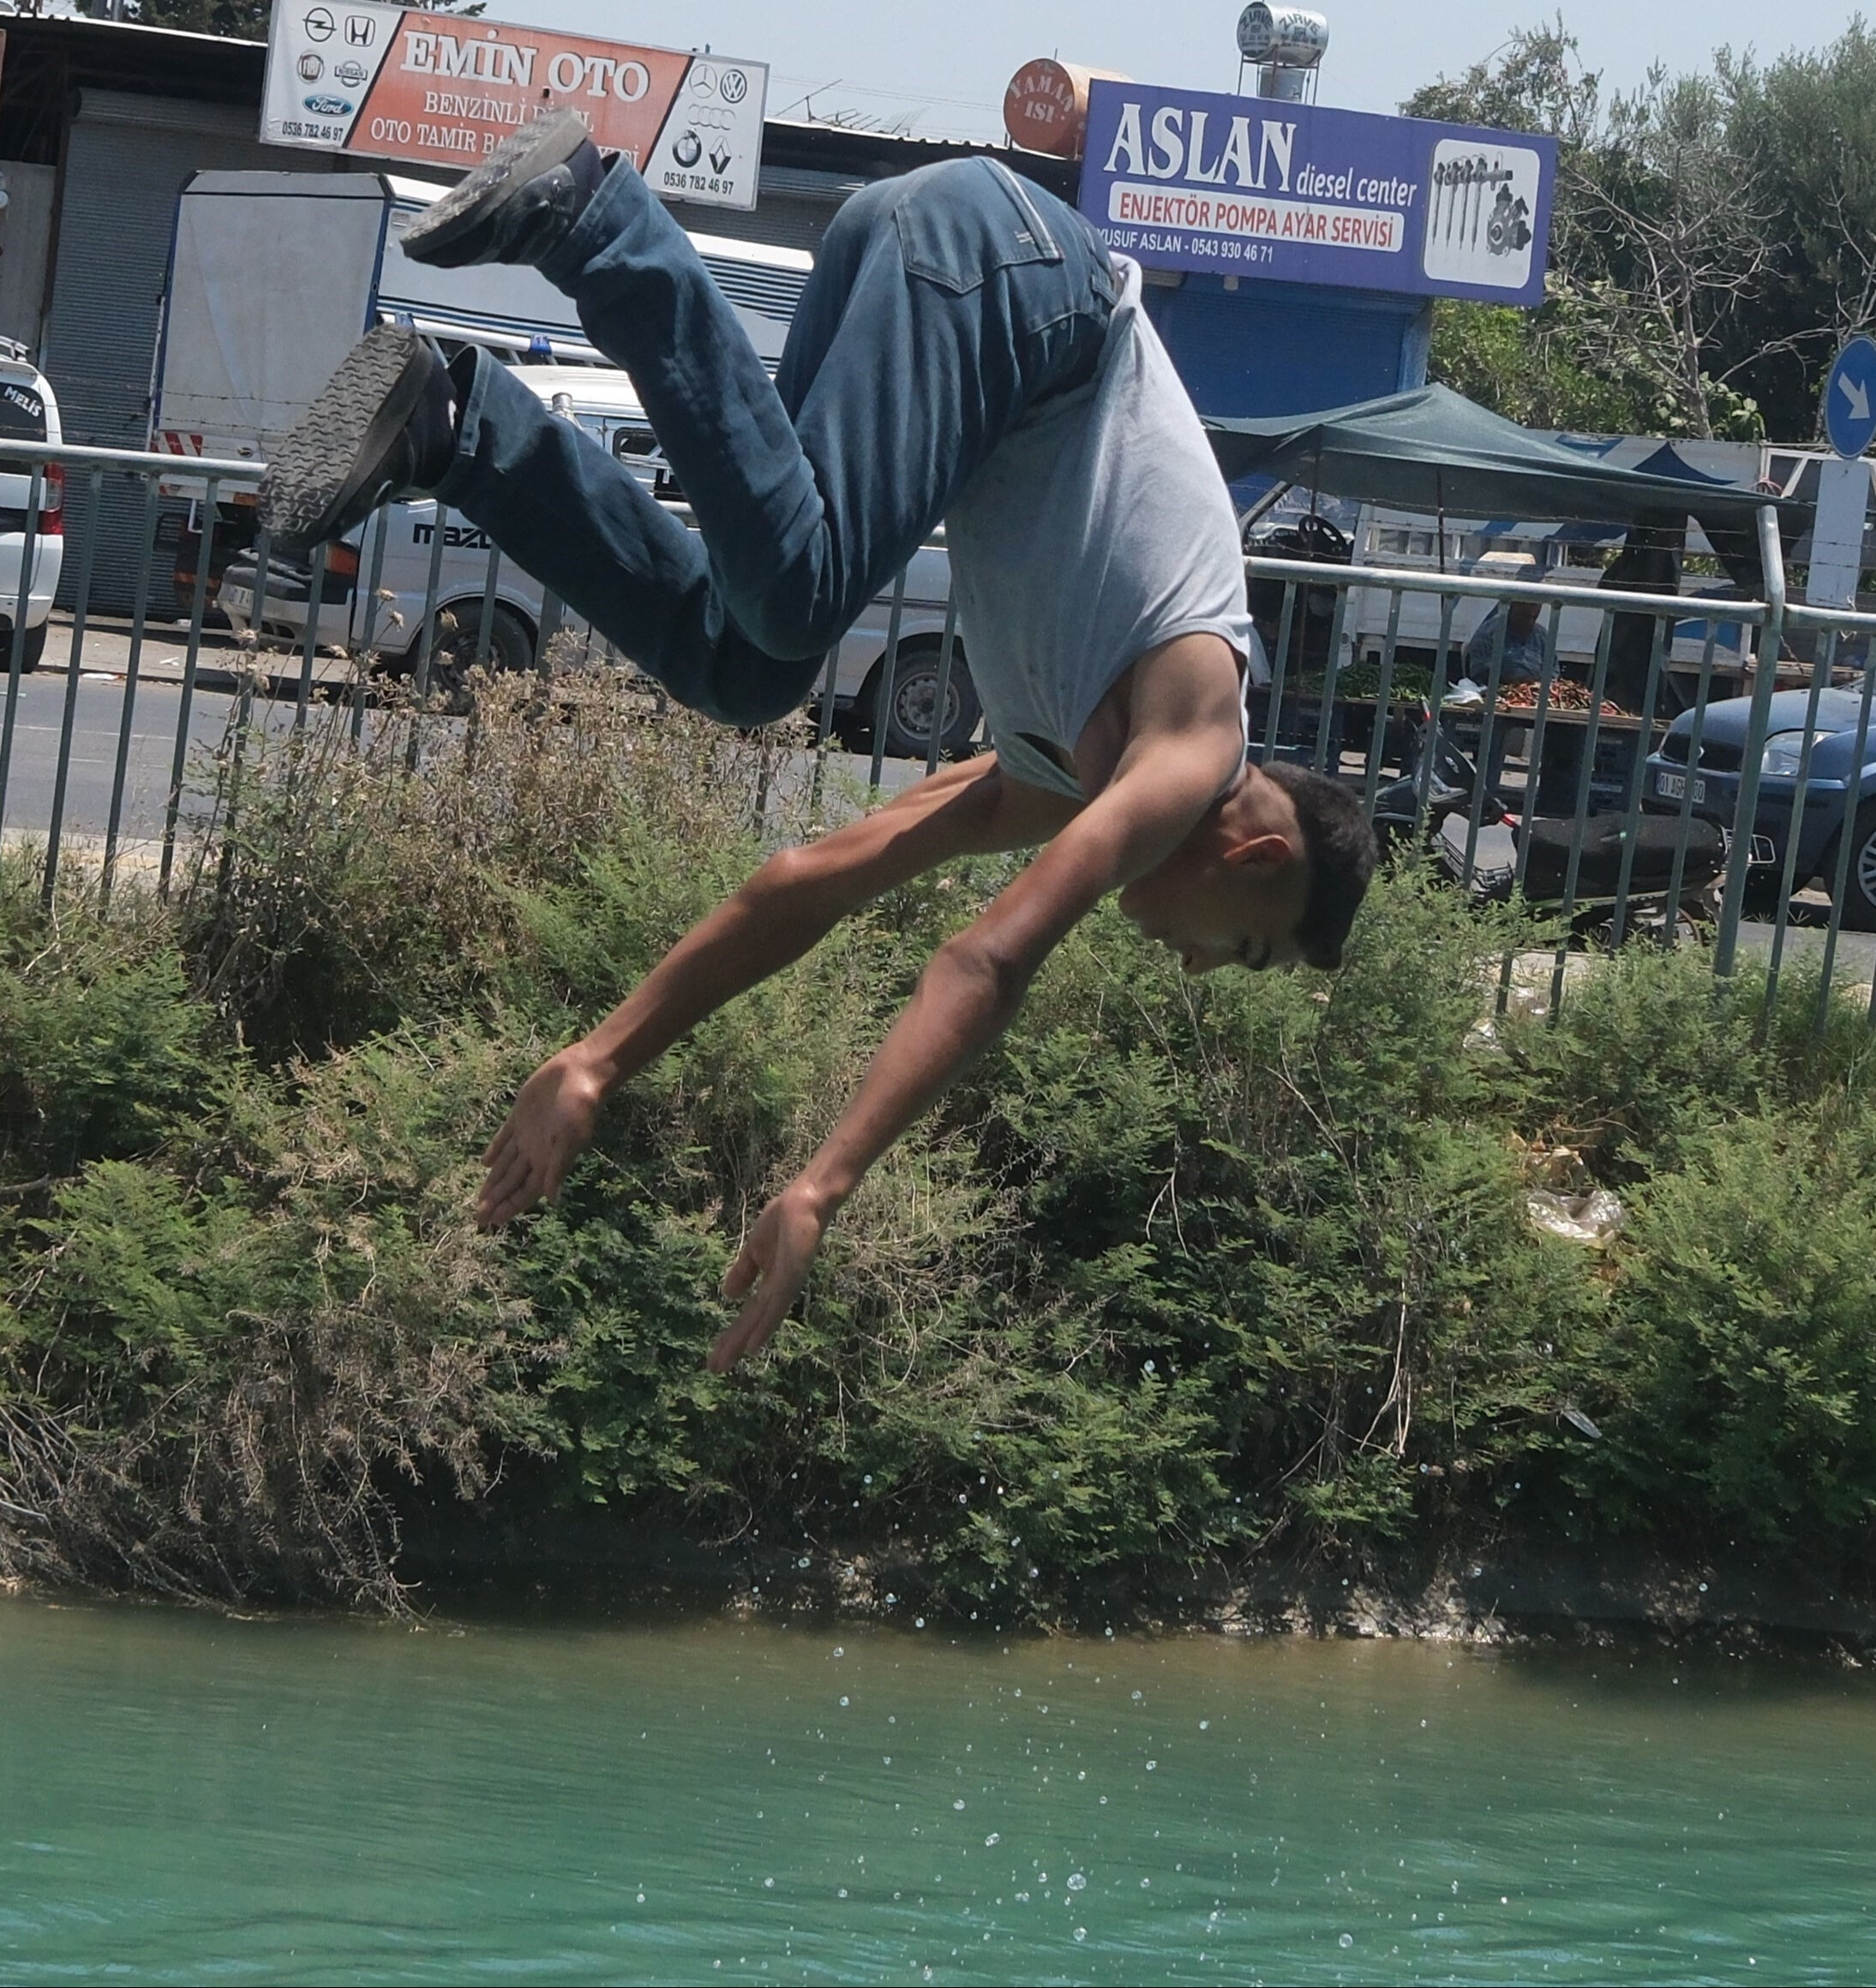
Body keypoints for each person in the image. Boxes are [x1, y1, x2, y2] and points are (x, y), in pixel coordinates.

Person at [261, 105, 1382, 1369]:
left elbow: (812, 879)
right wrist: (822, 1184)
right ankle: (597, 220)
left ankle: (459, 426)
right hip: (1008, 272)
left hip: (928, 261)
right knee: (798, 598)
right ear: (1255, 857)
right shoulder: (1188, 743)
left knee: (748, 660)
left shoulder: (1052, 777)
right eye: (1243, 948)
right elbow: (988, 962)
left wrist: (598, 1060)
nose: (1199, 965)